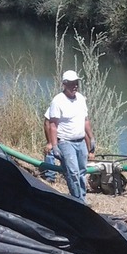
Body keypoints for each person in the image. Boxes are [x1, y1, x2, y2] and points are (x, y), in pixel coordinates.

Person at [46, 70, 95, 203]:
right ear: (64, 84)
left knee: (82, 171)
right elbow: (52, 125)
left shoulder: (81, 99)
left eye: (76, 83)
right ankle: (78, 201)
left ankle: (82, 197)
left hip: (80, 141)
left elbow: (86, 120)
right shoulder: (58, 101)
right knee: (72, 172)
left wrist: (91, 137)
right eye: (72, 83)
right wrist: (54, 145)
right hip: (66, 142)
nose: (75, 86)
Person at [39, 112, 57, 183]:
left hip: (69, 138)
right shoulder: (56, 104)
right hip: (56, 137)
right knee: (50, 151)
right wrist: (50, 142)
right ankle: (50, 176)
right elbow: (47, 123)